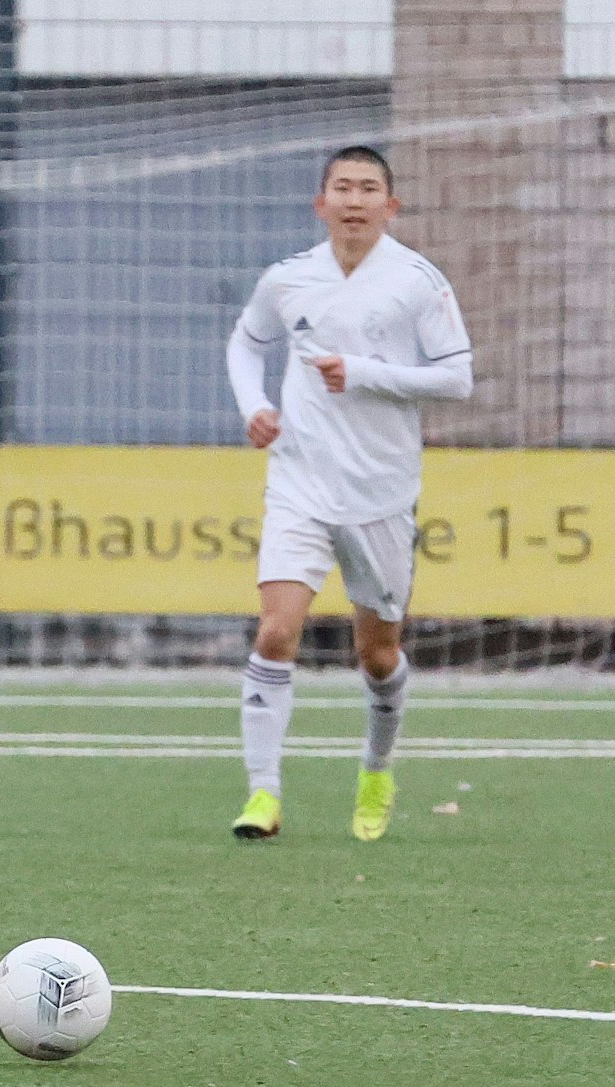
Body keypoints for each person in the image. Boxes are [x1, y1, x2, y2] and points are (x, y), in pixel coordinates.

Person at [224, 145, 472, 843]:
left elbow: (457, 377)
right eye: (343, 188)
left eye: (369, 189)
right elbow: (245, 344)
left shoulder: (418, 282)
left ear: (390, 206)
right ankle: (262, 795)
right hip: (299, 483)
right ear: (321, 202)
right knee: (276, 631)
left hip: (382, 492)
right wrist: (254, 406)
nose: (354, 200)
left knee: (378, 654)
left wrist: (361, 371)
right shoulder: (289, 278)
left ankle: (376, 766)